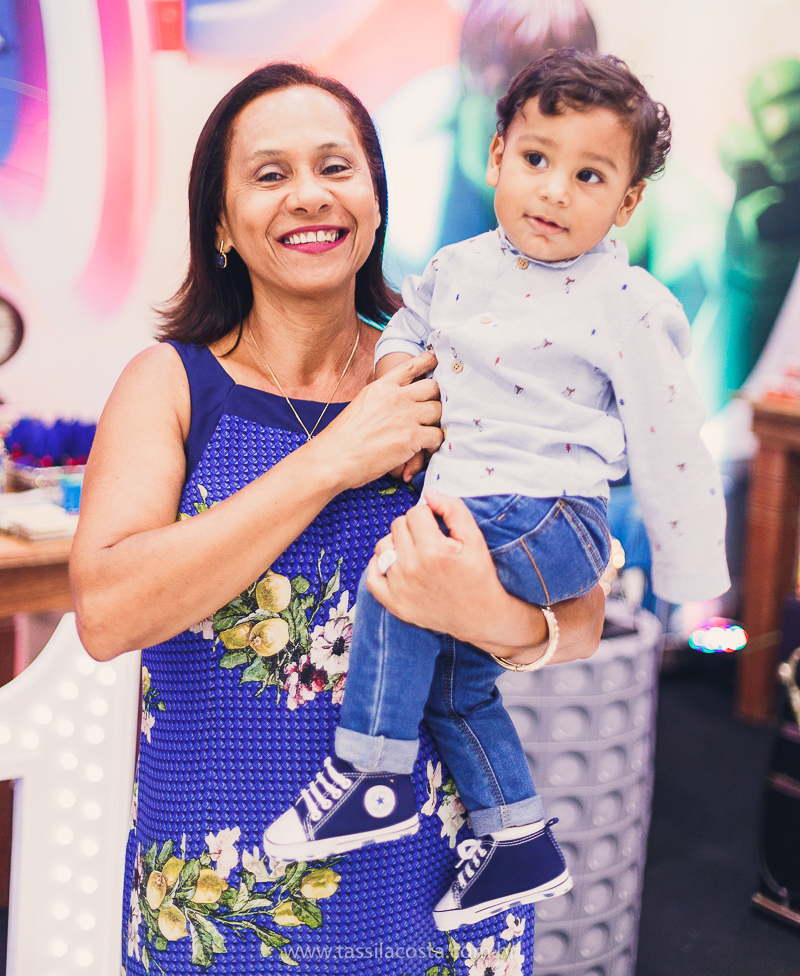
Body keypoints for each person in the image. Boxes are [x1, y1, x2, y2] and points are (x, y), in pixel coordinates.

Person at [69, 62, 605, 975]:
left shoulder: (459, 372)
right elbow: (108, 612)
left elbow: (582, 618)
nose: (308, 195)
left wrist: (496, 621)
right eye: (269, 175)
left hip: (433, 896)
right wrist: (334, 460)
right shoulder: (170, 386)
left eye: (336, 167)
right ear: (221, 224)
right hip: (222, 900)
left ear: (376, 201)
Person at [263, 51, 731, 930]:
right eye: (535, 160)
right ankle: (516, 835)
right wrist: (397, 374)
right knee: (454, 686)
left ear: (627, 202)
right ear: (495, 158)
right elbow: (408, 322)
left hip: (552, 513)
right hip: (484, 501)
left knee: (404, 574)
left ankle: (370, 772)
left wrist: (690, 574)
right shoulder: (460, 264)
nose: (554, 191)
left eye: (589, 175)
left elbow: (673, 440)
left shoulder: (624, 299)